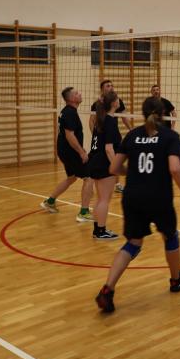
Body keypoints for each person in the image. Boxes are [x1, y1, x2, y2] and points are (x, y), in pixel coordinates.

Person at [95, 97, 180, 313]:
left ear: (142, 113)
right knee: (170, 236)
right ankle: (176, 279)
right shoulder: (170, 136)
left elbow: (113, 168)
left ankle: (107, 289)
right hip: (159, 197)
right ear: (163, 114)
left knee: (133, 243)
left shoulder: (132, 135)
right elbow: (175, 168)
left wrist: (132, 172)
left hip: (132, 197)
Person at [40, 87, 93, 220]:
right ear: (72, 98)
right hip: (71, 152)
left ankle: (50, 202)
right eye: (77, 93)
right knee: (89, 178)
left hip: (65, 151)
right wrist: (81, 152)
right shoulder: (70, 113)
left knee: (72, 177)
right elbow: (70, 135)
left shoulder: (67, 111)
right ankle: (84, 213)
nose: (80, 94)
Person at [87, 91, 122, 239]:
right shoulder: (109, 121)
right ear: (114, 103)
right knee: (104, 199)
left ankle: (98, 229)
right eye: (118, 99)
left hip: (95, 161)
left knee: (100, 198)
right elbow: (109, 149)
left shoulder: (101, 119)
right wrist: (116, 166)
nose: (119, 100)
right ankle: (101, 231)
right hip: (104, 163)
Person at [90, 79, 131, 194]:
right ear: (102, 89)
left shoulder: (113, 111)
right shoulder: (98, 105)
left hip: (110, 135)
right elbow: (91, 121)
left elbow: (124, 117)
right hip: (105, 139)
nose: (111, 87)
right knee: (110, 158)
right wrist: (97, 136)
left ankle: (116, 184)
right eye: (108, 86)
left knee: (114, 156)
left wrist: (131, 130)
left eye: (112, 85)